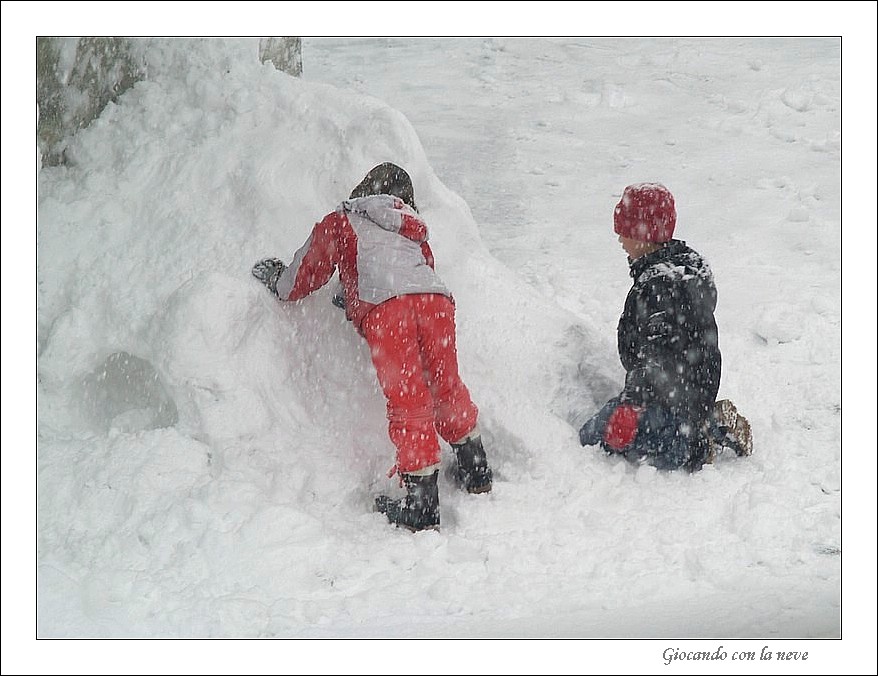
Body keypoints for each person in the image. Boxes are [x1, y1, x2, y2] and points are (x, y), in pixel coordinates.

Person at [252, 162, 492, 531]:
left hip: (389, 311)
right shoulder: (412, 227)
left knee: (409, 400)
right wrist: (353, 296)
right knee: (446, 385)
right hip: (435, 302)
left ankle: (422, 504)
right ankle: (475, 468)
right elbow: (417, 269)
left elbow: (309, 270)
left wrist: (281, 284)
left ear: (364, 189)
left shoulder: (343, 220)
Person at [578, 183, 752, 471]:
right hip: (688, 391)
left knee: (595, 436)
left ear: (643, 235)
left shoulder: (659, 288)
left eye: (624, 231)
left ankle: (702, 438)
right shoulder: (678, 272)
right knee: (622, 427)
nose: (619, 238)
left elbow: (656, 357)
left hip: (671, 398)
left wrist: (631, 405)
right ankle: (701, 422)